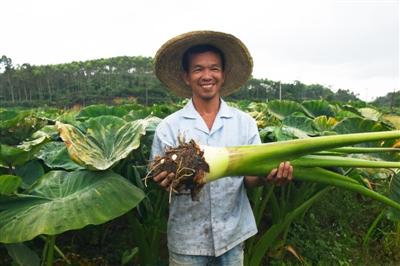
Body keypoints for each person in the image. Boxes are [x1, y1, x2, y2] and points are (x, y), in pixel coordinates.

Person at [150, 30, 293, 266]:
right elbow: (160, 181)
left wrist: (267, 177)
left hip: (232, 237)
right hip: (187, 241)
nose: (207, 75)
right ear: (186, 76)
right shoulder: (169, 127)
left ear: (223, 75)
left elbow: (250, 180)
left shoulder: (244, 123)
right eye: (198, 69)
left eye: (214, 68)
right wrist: (165, 182)